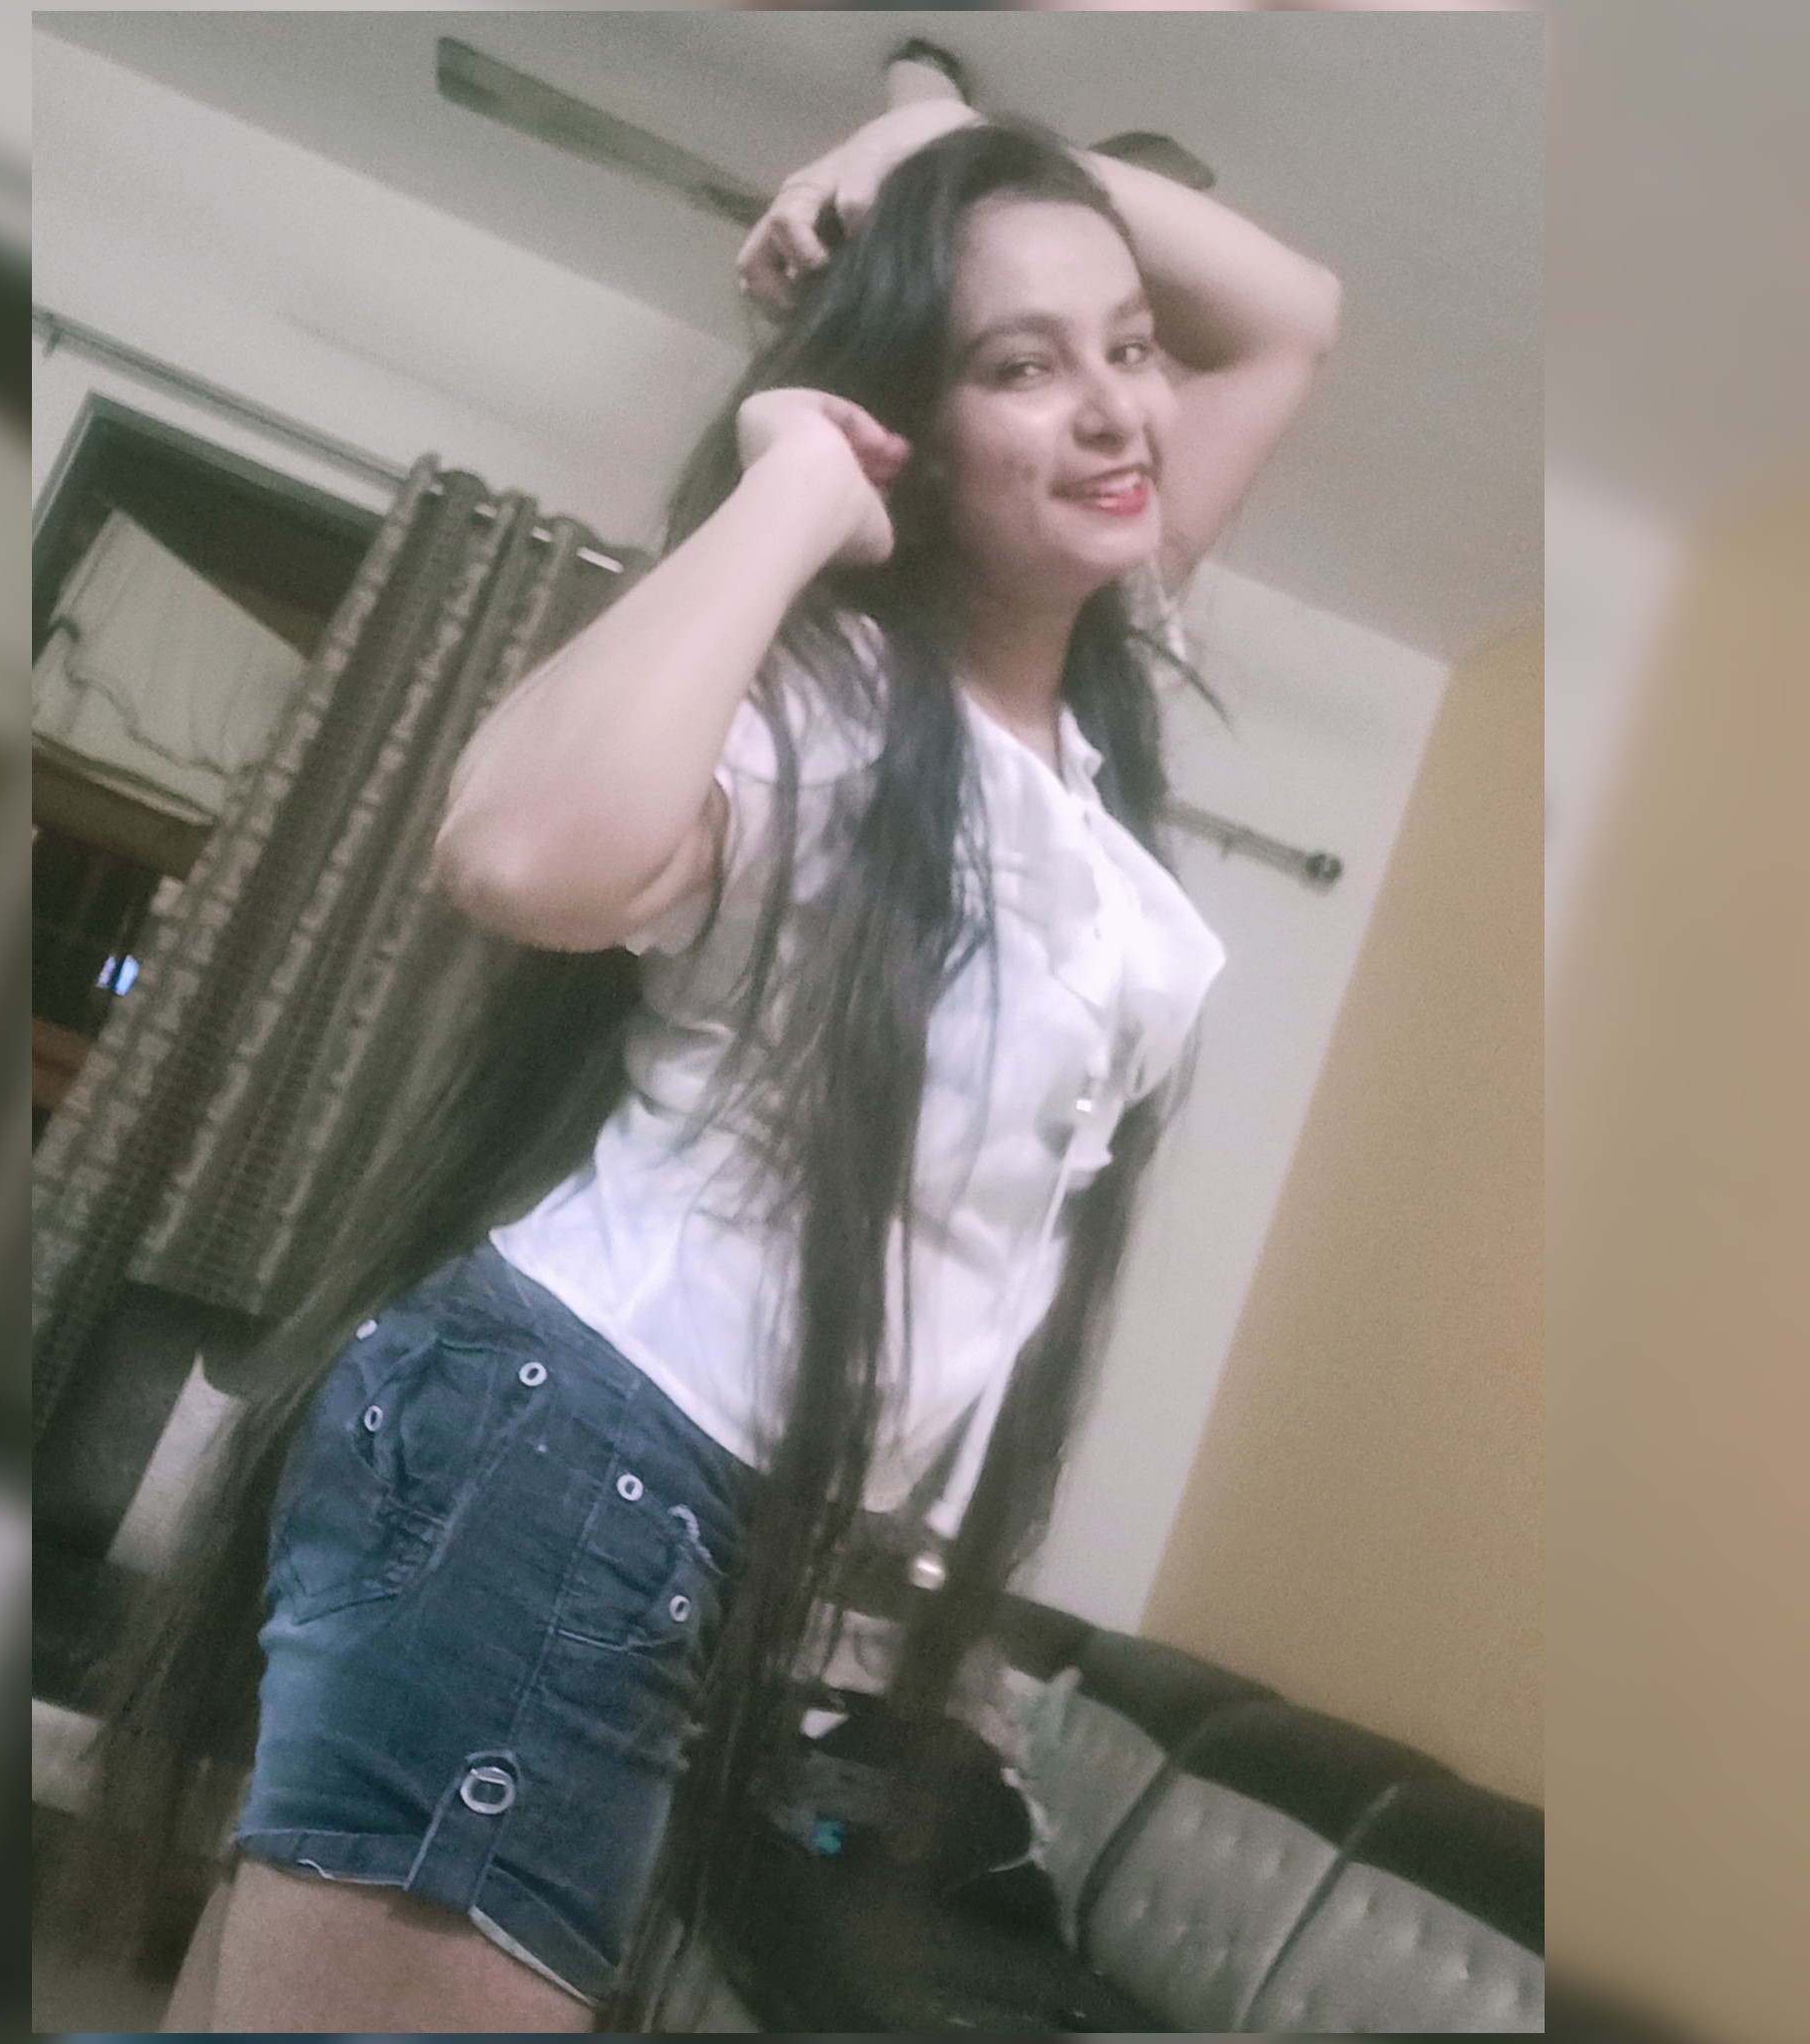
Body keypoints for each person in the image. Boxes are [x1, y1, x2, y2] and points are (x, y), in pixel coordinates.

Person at [83, 104, 1340, 2034]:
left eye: (1127, 345)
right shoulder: (831, 710)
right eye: (1024, 366)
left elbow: (1291, 315)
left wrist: (945, 134)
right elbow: (519, 856)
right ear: (907, 431)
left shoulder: (1078, 728)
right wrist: (791, 482)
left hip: (655, 1489)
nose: (1116, 409)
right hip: (572, 1452)